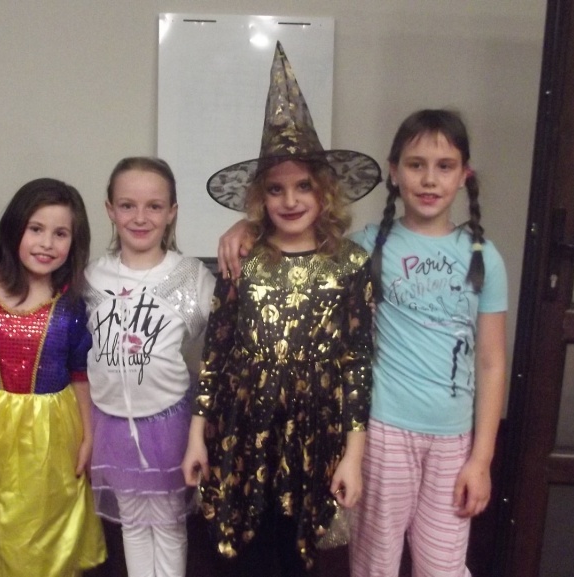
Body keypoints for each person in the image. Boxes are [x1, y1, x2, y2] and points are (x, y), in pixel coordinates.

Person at [218, 109, 509, 577]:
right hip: (384, 432)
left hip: (454, 440)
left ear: (464, 175)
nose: (429, 179)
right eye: (415, 165)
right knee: (376, 564)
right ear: (394, 172)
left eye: (444, 166)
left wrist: (482, 458)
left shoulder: (484, 257)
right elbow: (300, 234)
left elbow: (492, 363)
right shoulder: (364, 248)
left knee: (443, 567)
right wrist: (247, 228)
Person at [181, 42, 380, 576]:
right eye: (276, 189)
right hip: (242, 431)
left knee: (295, 556)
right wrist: (198, 435)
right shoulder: (243, 259)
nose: (290, 200)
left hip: (315, 437)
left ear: (325, 192)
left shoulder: (351, 264)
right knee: (243, 555)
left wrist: (354, 454)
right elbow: (216, 354)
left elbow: (357, 364)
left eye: (303, 186)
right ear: (260, 198)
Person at [0, 179, 106, 577]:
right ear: (14, 229)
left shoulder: (71, 309)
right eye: (36, 229)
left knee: (54, 513)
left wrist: (88, 436)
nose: (47, 243)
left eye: (60, 233)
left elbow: (80, 376)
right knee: (4, 518)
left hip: (55, 430)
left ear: (74, 243)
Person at [84, 157, 215, 577]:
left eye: (154, 206)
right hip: (111, 425)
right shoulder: (91, 279)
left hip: (168, 423)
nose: (140, 218)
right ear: (110, 209)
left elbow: (218, 347)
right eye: (128, 205)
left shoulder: (191, 277)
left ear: (172, 212)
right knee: (133, 523)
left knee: (169, 523)